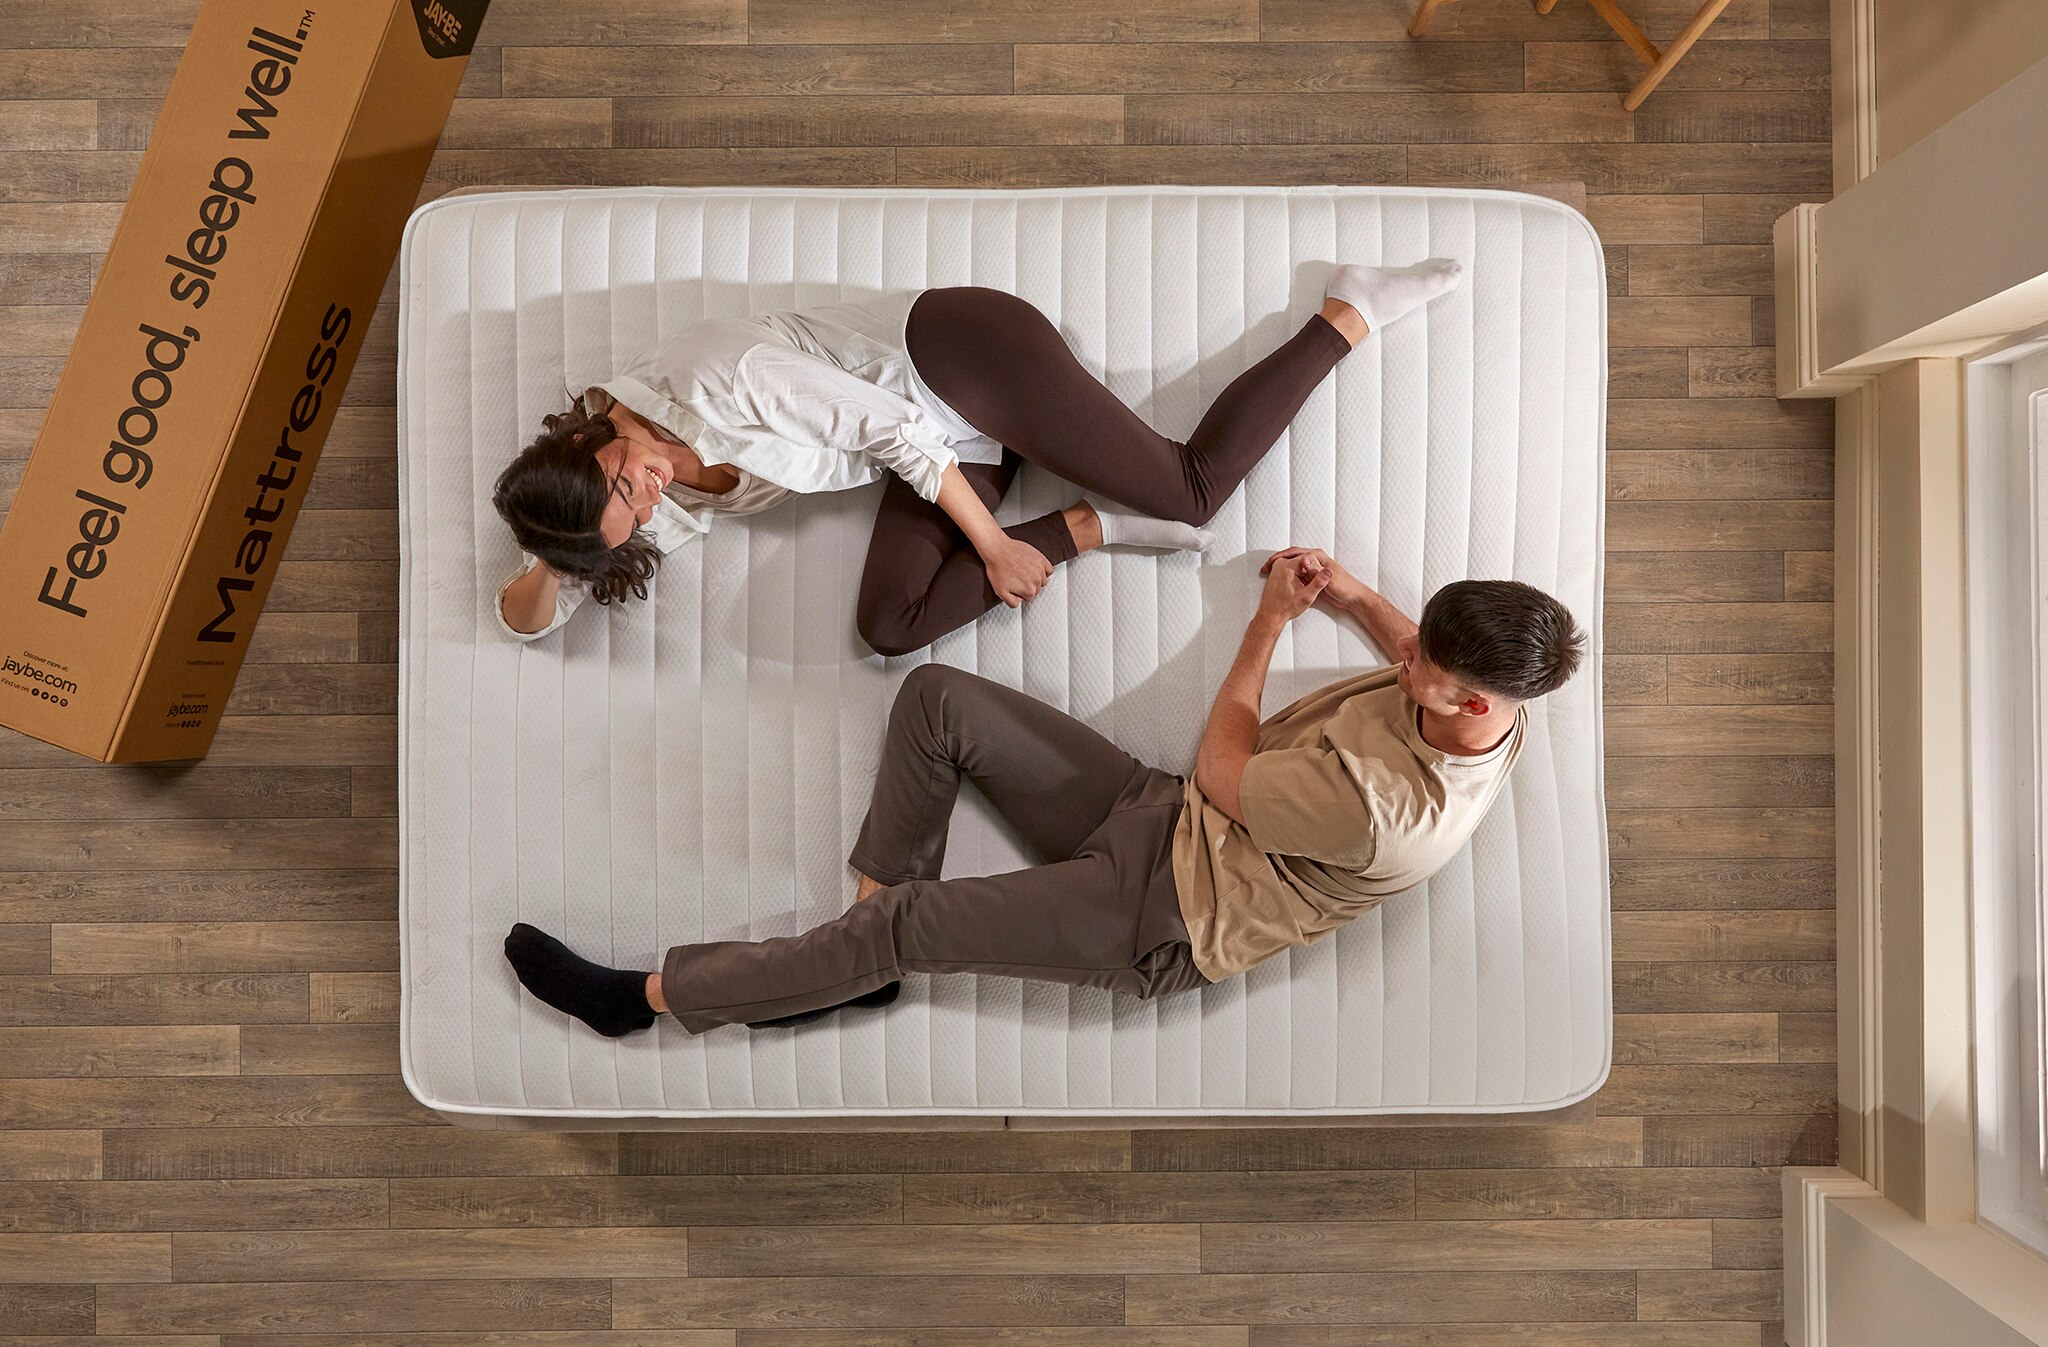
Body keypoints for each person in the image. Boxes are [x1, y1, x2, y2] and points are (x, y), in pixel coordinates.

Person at [501, 548, 1586, 1036]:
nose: (1406, 663)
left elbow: (1225, 767)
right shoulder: (1501, 691)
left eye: (1425, 670)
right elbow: (1420, 652)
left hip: (1166, 913)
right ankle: (863, 962)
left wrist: (1267, 624)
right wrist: (1354, 597)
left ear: (1472, 704)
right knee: (937, 700)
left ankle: (645, 1001)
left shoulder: (1384, 808)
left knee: (909, 921)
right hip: (1160, 814)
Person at [490, 261, 1465, 656]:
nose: (650, 495)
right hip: (942, 440)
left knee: (1190, 492)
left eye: (631, 480)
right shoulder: (615, 497)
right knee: (886, 627)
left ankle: (1349, 311)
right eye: (632, 513)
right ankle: (1083, 526)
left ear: (589, 436)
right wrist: (560, 550)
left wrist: (996, 547)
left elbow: (888, 433)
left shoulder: (715, 375)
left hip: (956, 361)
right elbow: (523, 623)